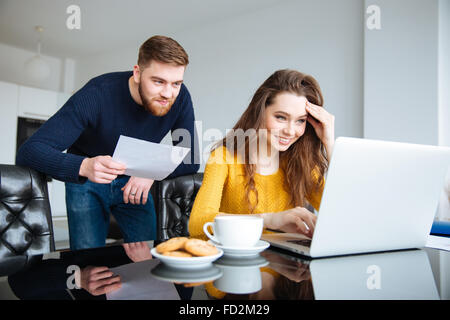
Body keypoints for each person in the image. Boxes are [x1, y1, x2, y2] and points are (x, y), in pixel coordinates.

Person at [16, 35, 200, 250]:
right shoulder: (97, 93)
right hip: (86, 181)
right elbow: (29, 151)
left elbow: (191, 156)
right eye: (158, 81)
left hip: (135, 182)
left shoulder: (181, 98)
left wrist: (151, 171)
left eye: (176, 83)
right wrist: (84, 165)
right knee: (88, 259)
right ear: (138, 73)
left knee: (147, 258)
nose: (168, 93)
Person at [188, 69, 334, 239]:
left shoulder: (301, 163)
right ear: (260, 111)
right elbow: (197, 223)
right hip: (231, 262)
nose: (290, 131)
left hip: (282, 263)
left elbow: (342, 216)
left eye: (300, 120)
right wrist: (268, 220)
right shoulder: (223, 158)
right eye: (281, 117)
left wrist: (329, 143)